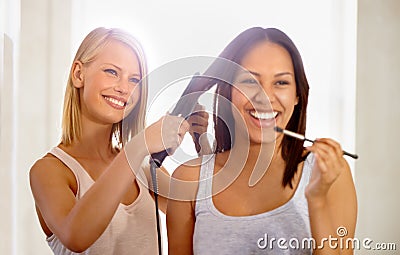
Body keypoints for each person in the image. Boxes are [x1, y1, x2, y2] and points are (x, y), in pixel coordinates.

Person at [166, 27, 357, 255]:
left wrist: (317, 201)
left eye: (281, 83)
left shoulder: (328, 175)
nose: (264, 97)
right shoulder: (189, 180)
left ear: (298, 95)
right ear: (228, 91)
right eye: (249, 81)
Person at [29, 27, 207, 254]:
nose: (124, 88)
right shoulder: (49, 171)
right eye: (112, 72)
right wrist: (138, 146)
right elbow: (76, 236)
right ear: (78, 74)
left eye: (134, 79)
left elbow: (205, 213)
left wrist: (203, 145)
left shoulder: (142, 169)